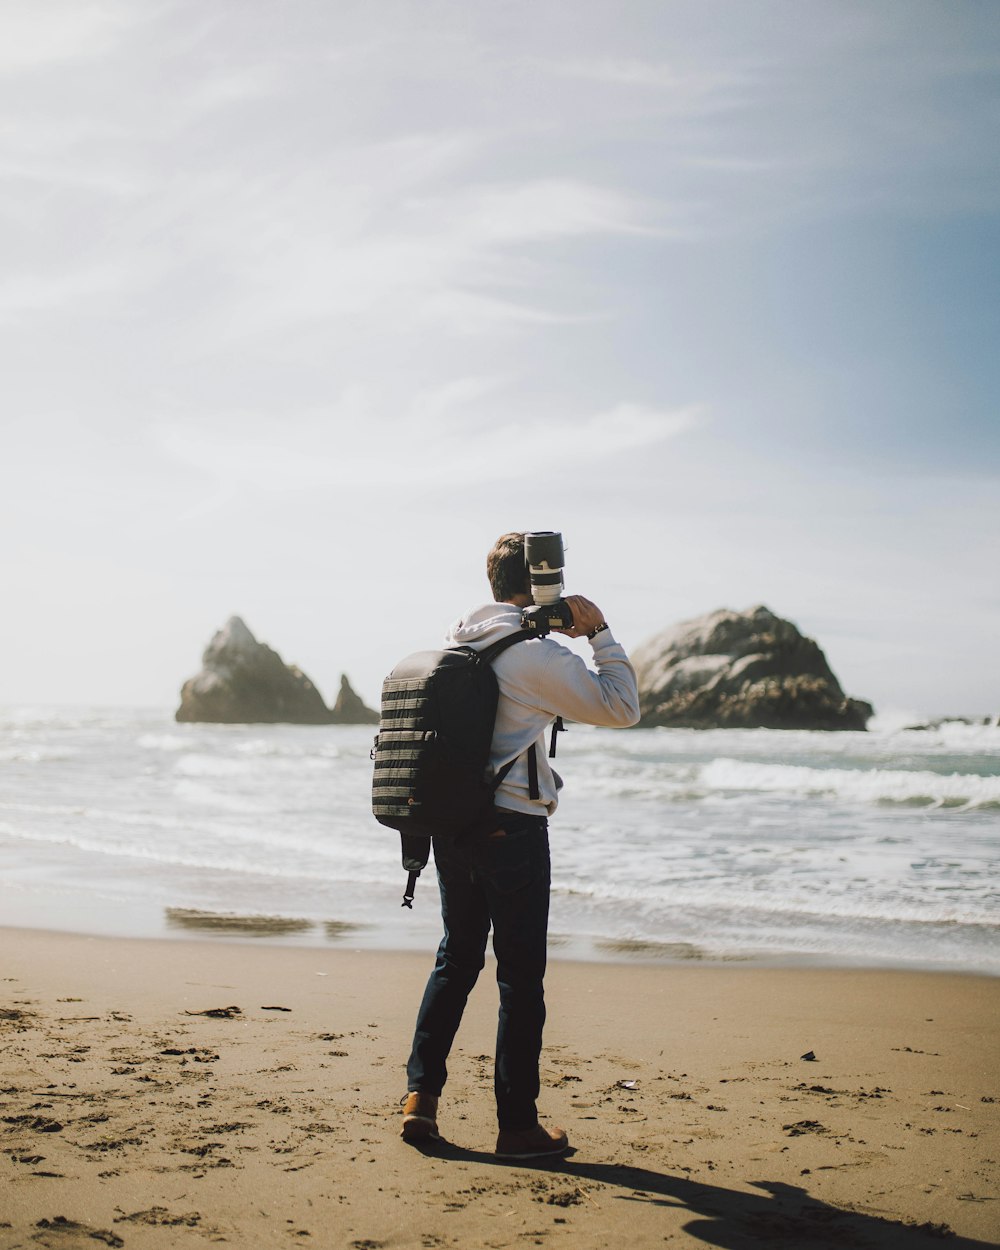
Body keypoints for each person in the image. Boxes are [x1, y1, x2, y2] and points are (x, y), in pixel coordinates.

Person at [401, 531, 640, 1159]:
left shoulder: (463, 639)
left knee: (456, 961)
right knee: (520, 981)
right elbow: (622, 706)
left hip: (453, 828)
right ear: (540, 581)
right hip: (512, 833)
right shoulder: (531, 655)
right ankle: (517, 1128)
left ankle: (420, 1100)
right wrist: (599, 632)